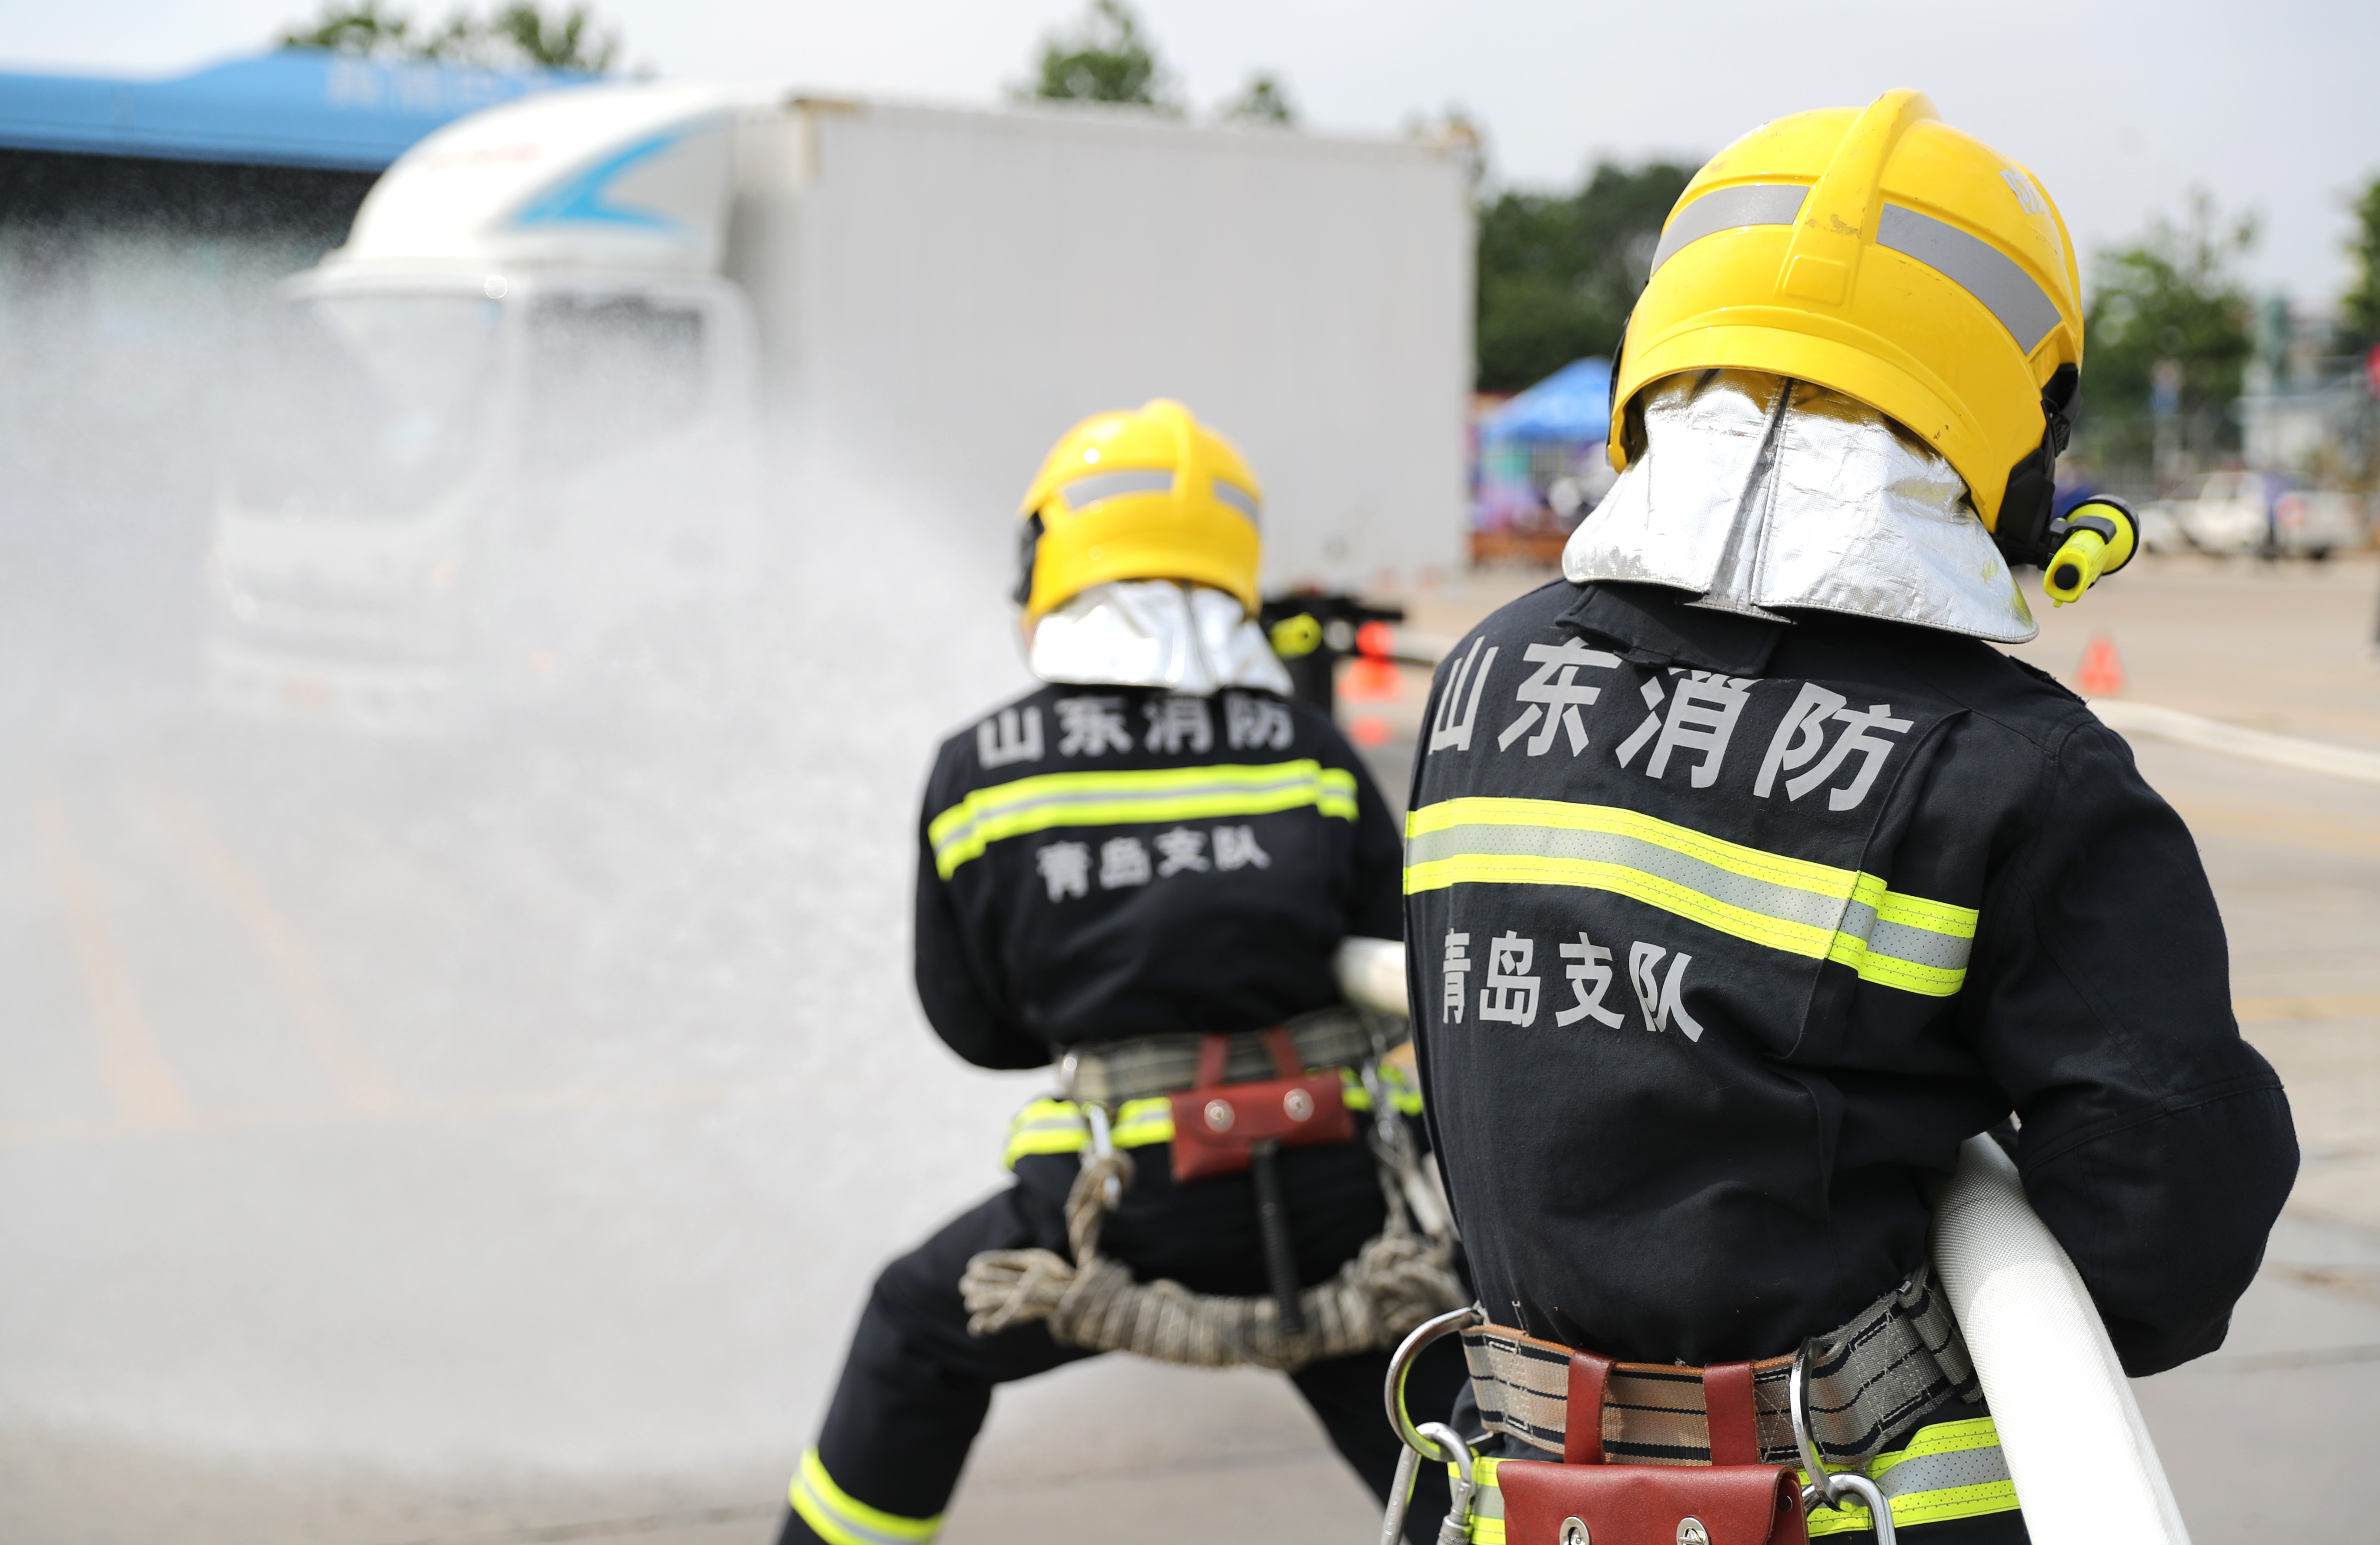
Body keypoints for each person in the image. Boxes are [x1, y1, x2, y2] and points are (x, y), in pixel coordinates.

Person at [1401, 91, 2296, 1541]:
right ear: (2016, 418)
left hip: (1513, 1497)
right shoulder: (2018, 767)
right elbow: (2171, 1225)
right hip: (1869, 1502)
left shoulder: (1491, 676)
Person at [772, 398, 1467, 1545]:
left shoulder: (979, 770)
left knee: (915, 1325)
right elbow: (1398, 969)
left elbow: (977, 1026)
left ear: (1049, 563)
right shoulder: (1311, 752)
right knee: (1456, 1451)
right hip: (1336, 1198)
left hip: (1121, 1203)